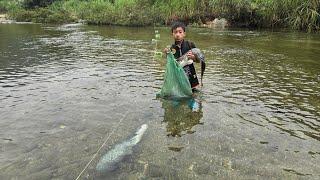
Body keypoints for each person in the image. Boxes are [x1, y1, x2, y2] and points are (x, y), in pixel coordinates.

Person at [164, 21, 205, 91]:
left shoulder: (190, 44)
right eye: (175, 32)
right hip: (179, 77)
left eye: (180, 32)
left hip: (191, 76)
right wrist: (167, 54)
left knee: (194, 94)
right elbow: (171, 65)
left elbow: (198, 61)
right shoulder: (171, 49)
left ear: (184, 34)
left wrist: (193, 57)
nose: (178, 34)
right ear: (172, 34)